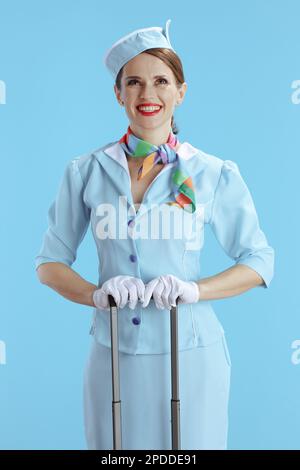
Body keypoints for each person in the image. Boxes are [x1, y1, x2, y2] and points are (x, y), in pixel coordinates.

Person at [35, 19, 275, 450]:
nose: (148, 95)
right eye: (134, 82)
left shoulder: (212, 173)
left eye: (161, 81)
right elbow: (49, 264)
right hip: (113, 354)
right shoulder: (85, 171)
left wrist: (194, 290)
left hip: (192, 351)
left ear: (181, 91)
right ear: (118, 93)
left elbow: (259, 261)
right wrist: (95, 293)